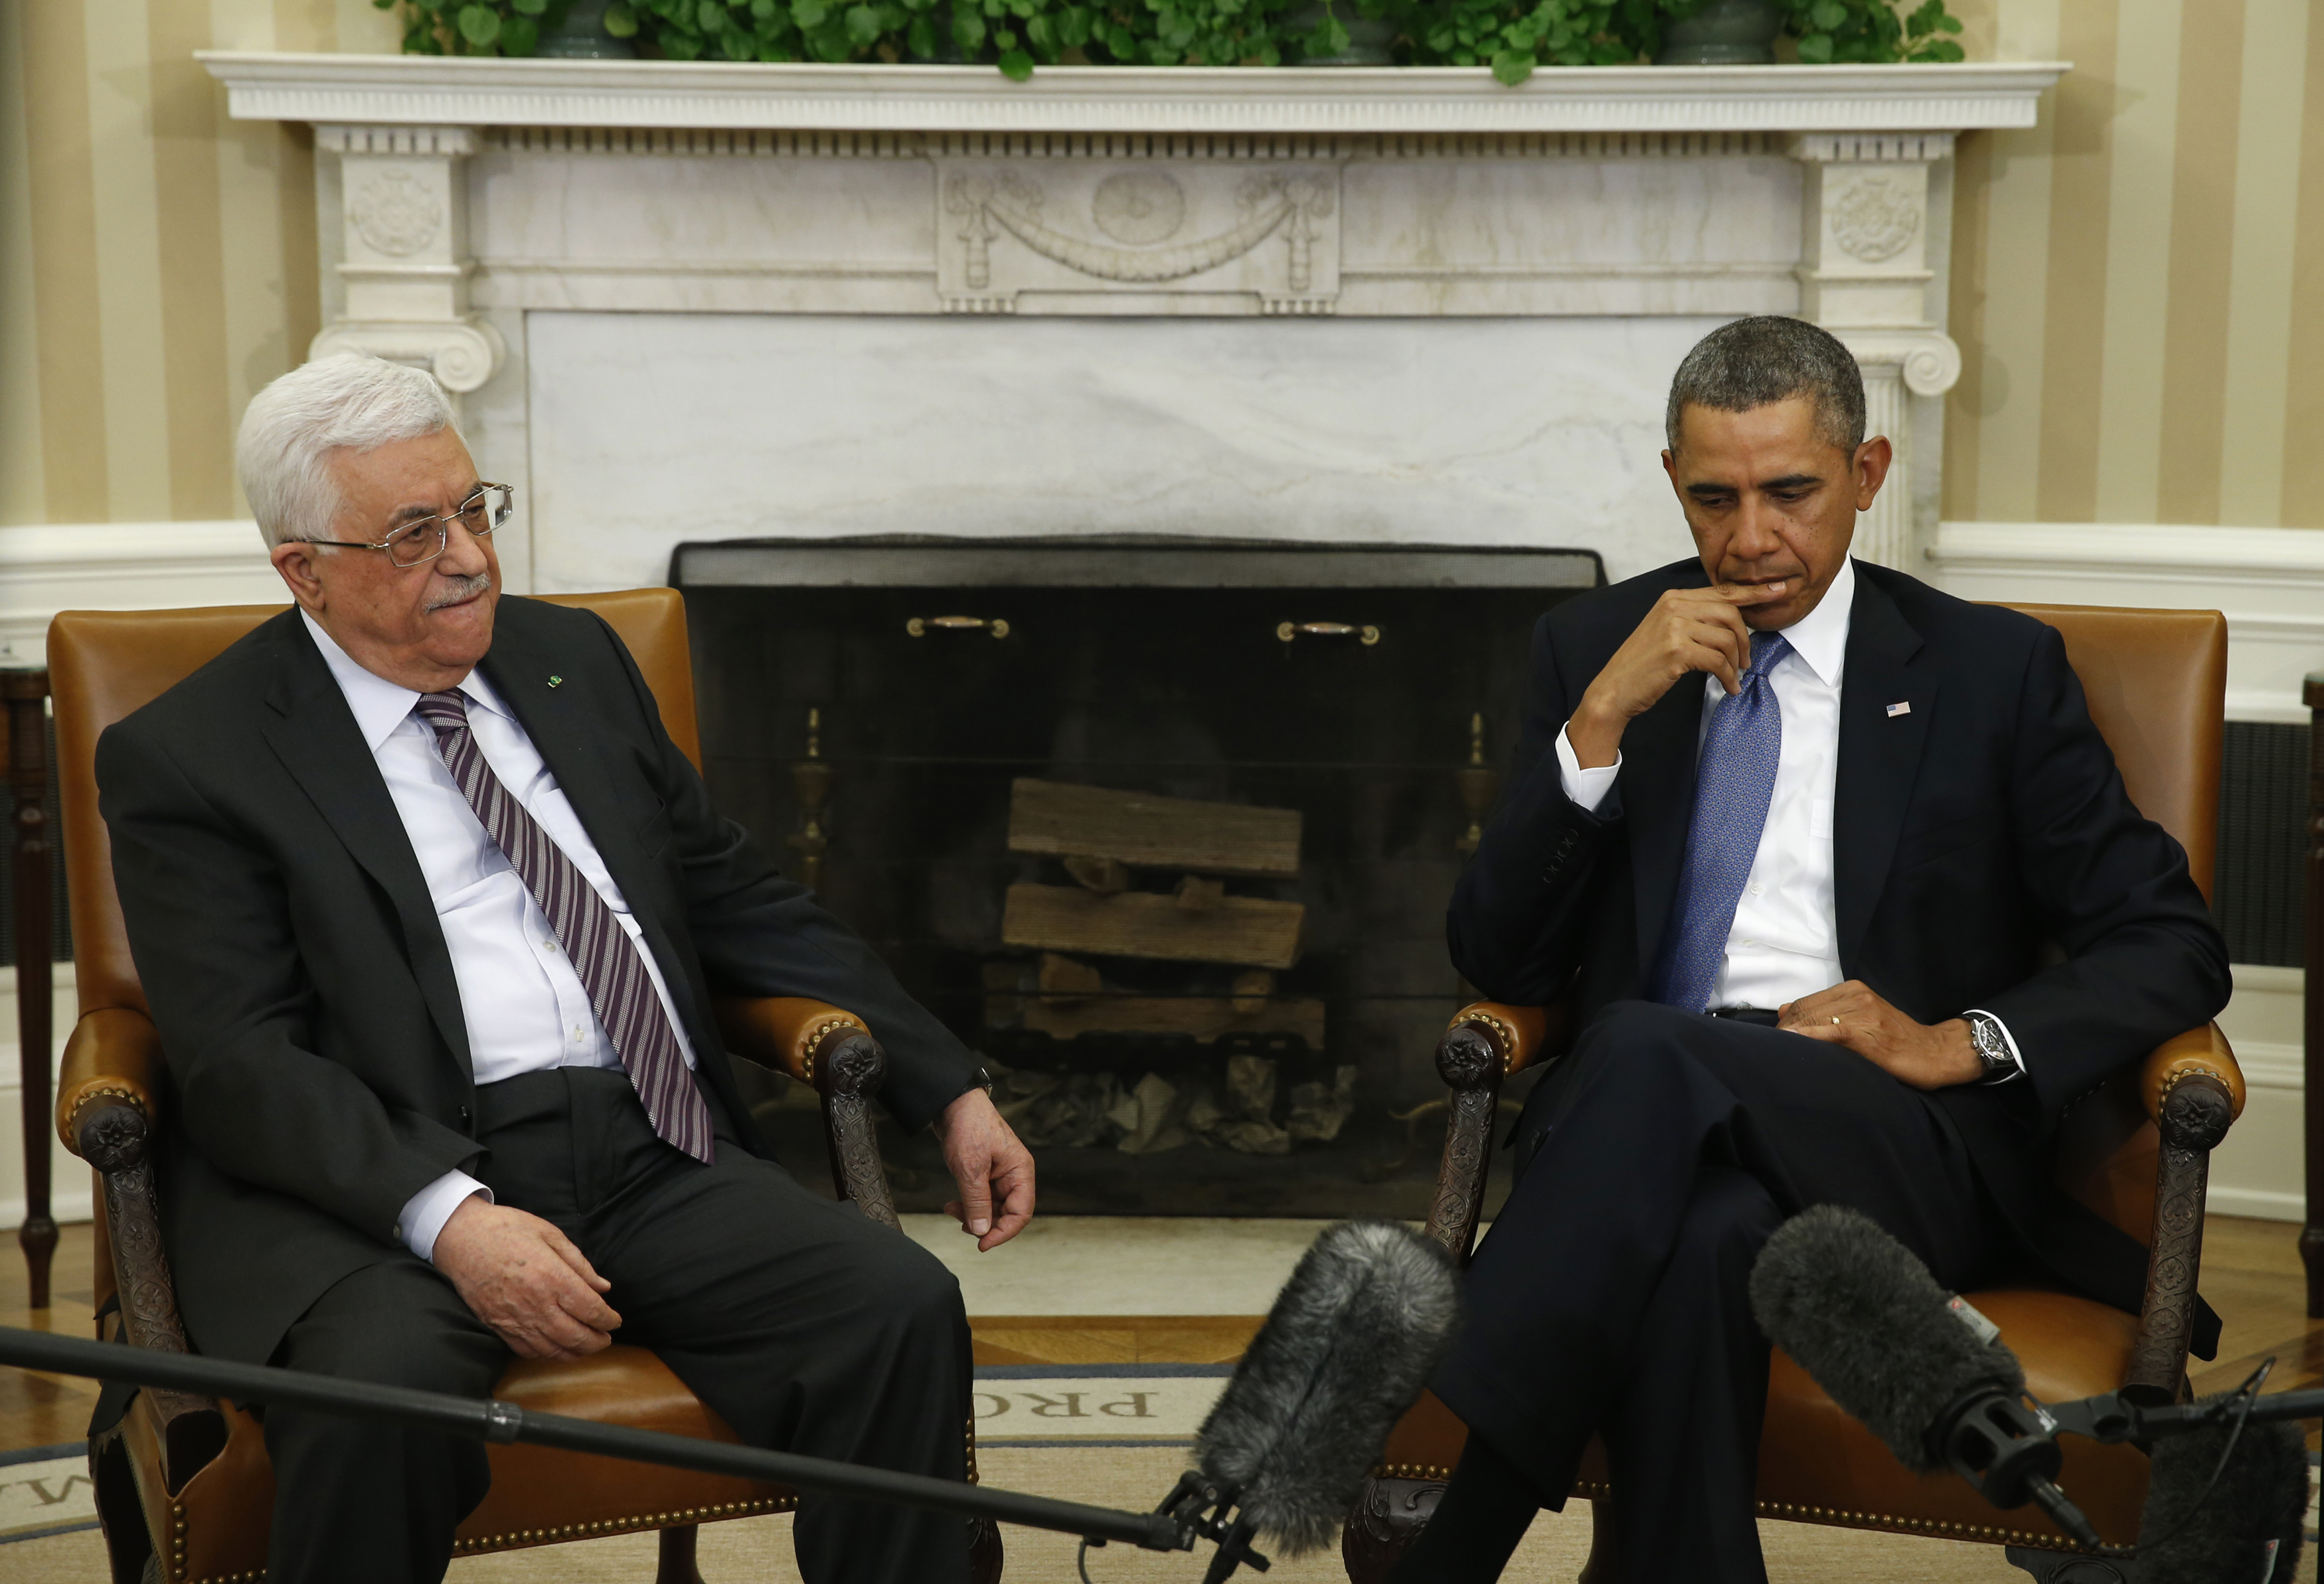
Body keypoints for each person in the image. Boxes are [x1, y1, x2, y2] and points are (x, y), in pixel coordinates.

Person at [95, 353, 1036, 1584]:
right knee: (386, 1396)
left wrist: (945, 1083)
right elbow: (241, 1060)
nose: (471, 557)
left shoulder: (573, 661)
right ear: (303, 570)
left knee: (893, 1308)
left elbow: (731, 895)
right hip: (383, 1187)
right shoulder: (192, 756)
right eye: (416, 532)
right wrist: (456, 1220)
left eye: (475, 508)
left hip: (645, 1143)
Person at [1392, 317, 2228, 1584]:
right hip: (1647, 1140)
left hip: (1895, 1138)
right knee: (1710, 1224)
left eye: (1792, 492)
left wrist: (1960, 1040)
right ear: (1671, 479)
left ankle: (1455, 1543)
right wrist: (1602, 723)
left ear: (1867, 473)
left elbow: (2170, 940)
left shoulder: (1990, 671)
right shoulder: (1594, 653)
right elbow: (1497, 956)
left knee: (1643, 1051)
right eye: (1714, 497)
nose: (1750, 538)